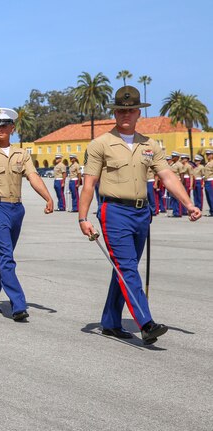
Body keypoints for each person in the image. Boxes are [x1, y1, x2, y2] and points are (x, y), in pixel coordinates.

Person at [78, 86, 201, 345]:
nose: (126, 114)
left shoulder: (149, 145)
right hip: (113, 212)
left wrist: (188, 203)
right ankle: (146, 323)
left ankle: (111, 322)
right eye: (121, 110)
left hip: (141, 212)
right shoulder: (100, 144)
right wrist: (83, 217)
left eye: (131, 109)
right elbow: (89, 183)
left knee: (123, 269)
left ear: (138, 113)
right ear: (114, 112)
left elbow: (167, 176)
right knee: (127, 266)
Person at [0, 108, 53, 321]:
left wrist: (48, 198)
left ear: (12, 128)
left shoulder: (21, 154)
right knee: (7, 257)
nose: (0, 129)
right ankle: (18, 304)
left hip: (16, 210)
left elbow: (33, 177)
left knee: (3, 256)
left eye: (4, 125)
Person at [169, 152, 183, 217]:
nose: (172, 158)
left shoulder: (179, 165)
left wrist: (181, 184)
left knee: (178, 198)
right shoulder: (172, 164)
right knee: (173, 197)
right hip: (172, 182)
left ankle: (178, 212)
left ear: (177, 157)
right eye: (172, 156)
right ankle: (175, 212)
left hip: (177, 182)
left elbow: (181, 174)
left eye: (173, 156)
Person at [204, 150, 213, 216]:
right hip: (207, 181)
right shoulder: (207, 163)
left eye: (209, 154)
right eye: (207, 154)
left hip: (211, 180)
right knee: (208, 197)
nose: (207, 156)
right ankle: (211, 210)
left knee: (211, 197)